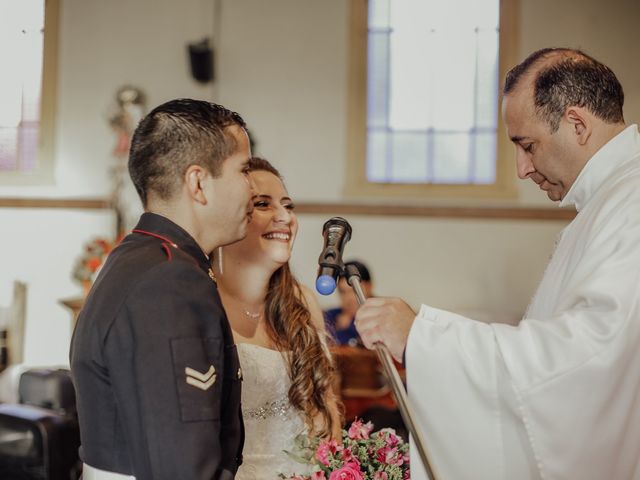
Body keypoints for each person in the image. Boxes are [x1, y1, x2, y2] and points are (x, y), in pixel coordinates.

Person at [355, 48, 640, 479]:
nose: (523, 169)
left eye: (528, 146)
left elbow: (589, 359)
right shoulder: (610, 200)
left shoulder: (630, 204)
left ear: (577, 124)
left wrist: (425, 337)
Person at [70, 99, 254, 480]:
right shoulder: (171, 283)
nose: (252, 189)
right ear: (199, 183)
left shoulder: (139, 258)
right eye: (244, 170)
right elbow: (182, 464)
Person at [211, 157, 341, 478]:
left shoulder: (301, 301)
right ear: (230, 217)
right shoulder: (201, 301)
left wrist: (335, 469)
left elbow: (326, 405)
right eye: (263, 204)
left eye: (287, 205)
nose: (284, 217)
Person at [323, 260, 373, 346]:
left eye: (353, 290)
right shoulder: (332, 315)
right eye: (343, 292)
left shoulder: (381, 315)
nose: (348, 298)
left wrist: (348, 327)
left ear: (369, 287)